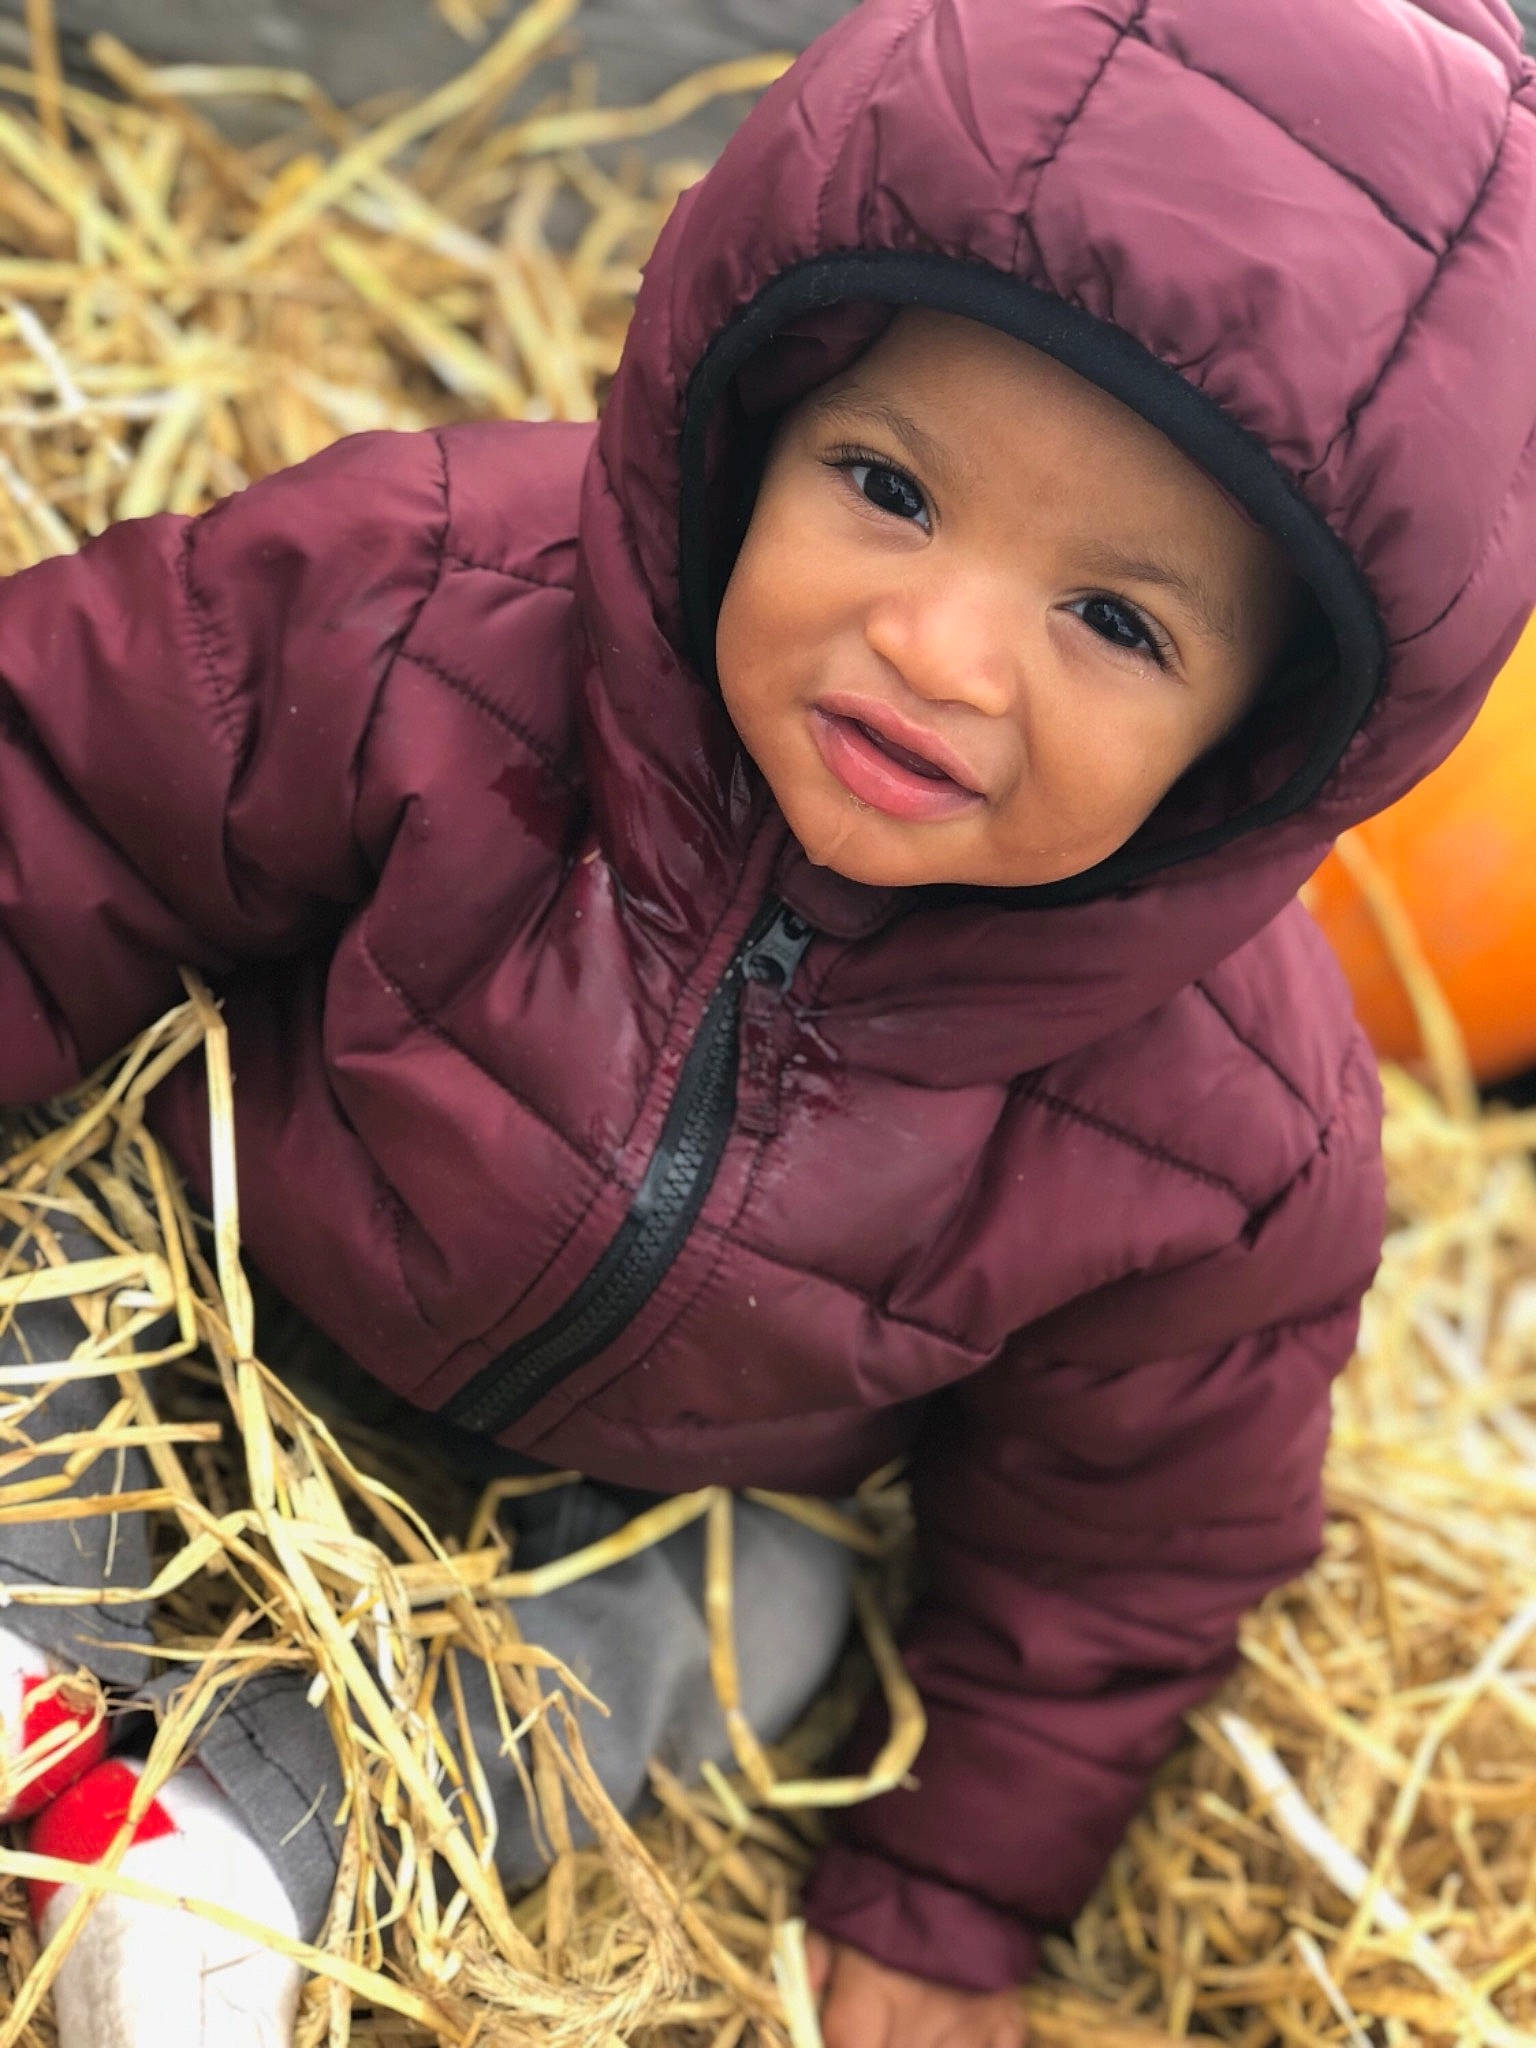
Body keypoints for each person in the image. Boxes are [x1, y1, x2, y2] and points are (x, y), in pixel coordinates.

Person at [0, 0, 1533, 2042]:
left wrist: (953, 1894)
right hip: (228, 1256)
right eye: (889, 485)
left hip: (645, 1504)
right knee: (50, 1280)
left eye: (1115, 619)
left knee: (764, 1631)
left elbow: (1125, 1549)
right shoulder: (435, 604)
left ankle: (232, 1857)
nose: (938, 643)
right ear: (749, 415)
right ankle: (28, 1660)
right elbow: (61, 790)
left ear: (1262, 744)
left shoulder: (1227, 1129)